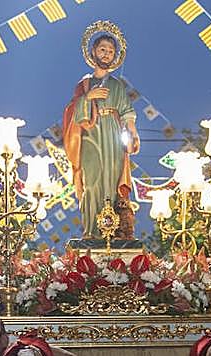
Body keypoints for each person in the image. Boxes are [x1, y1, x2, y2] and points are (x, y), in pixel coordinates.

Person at [63, 29, 139, 238]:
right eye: (102, 49)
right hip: (91, 136)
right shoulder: (84, 84)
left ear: (115, 57)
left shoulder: (117, 85)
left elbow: (126, 111)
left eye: (111, 51)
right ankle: (91, 232)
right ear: (93, 52)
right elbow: (72, 111)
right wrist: (88, 98)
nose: (106, 53)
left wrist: (132, 133)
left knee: (113, 181)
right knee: (92, 181)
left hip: (113, 136)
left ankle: (113, 232)